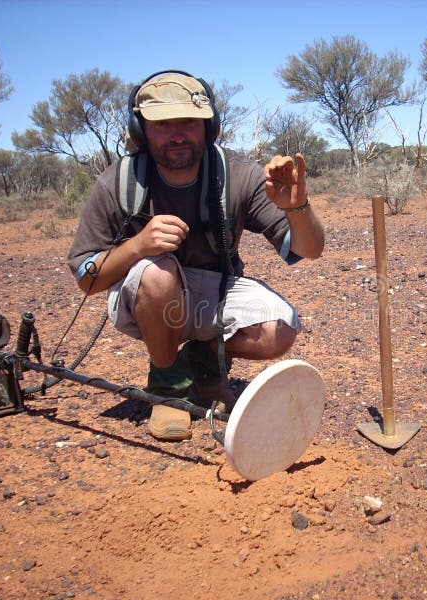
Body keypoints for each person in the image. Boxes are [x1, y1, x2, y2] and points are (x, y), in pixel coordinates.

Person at [67, 70, 325, 441]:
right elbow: (86, 280)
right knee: (157, 273)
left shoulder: (237, 175)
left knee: (280, 329)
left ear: (209, 126)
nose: (177, 133)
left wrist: (298, 207)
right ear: (140, 130)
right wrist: (137, 247)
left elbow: (310, 249)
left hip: (209, 295)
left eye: (188, 121)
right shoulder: (118, 182)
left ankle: (203, 369)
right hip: (147, 297)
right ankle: (167, 391)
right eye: (161, 124)